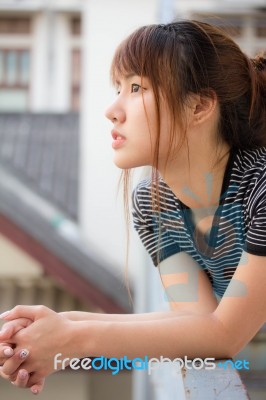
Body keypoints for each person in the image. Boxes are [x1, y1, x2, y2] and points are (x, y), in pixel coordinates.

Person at [0, 19, 266, 395]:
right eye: (118, 88)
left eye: (137, 87)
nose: (112, 109)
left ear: (200, 106)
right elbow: (197, 320)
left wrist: (73, 338)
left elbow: (225, 335)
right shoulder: (153, 203)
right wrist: (50, 328)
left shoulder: (260, 190)